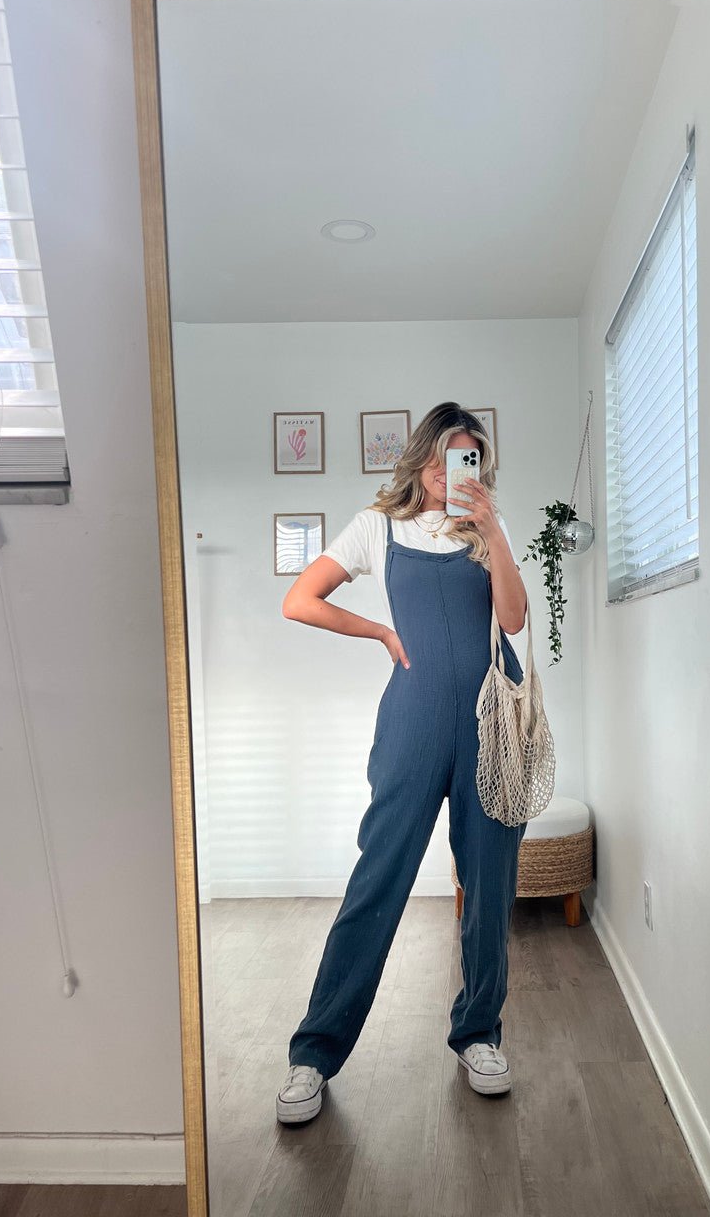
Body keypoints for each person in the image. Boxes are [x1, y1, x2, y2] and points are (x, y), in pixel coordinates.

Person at [275, 401, 529, 1125]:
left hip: (490, 724)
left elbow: (512, 620)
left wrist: (491, 531)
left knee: (489, 885)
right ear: (422, 459)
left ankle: (479, 1036)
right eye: (446, 457)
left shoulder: (487, 529)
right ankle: (314, 1054)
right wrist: (382, 633)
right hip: (413, 723)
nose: (455, 472)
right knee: (378, 880)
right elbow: (300, 600)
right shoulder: (378, 526)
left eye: (469, 459)